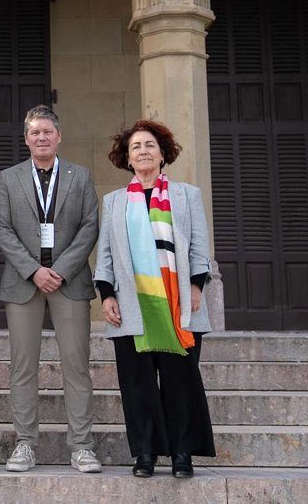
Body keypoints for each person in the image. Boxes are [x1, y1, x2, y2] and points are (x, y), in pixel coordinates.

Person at [93, 119, 216, 478]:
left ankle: (181, 454)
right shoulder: (114, 201)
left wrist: (196, 286)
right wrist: (107, 294)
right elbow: (106, 255)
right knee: (137, 385)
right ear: (127, 159)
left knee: (180, 382)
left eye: (149, 145)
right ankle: (144, 454)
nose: (143, 151)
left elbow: (198, 246)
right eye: (136, 147)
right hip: (132, 306)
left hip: (178, 304)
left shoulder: (186, 195)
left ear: (163, 154)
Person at [0, 105, 101, 473]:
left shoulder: (81, 177)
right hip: (24, 283)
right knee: (23, 367)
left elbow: (90, 227)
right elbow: (2, 230)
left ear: (59, 137)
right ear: (26, 139)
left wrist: (60, 270)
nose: (41, 138)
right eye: (35, 133)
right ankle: (25, 443)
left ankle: (82, 445)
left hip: (69, 283)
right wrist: (34, 270)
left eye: (47, 132)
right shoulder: (8, 179)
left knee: (77, 366)